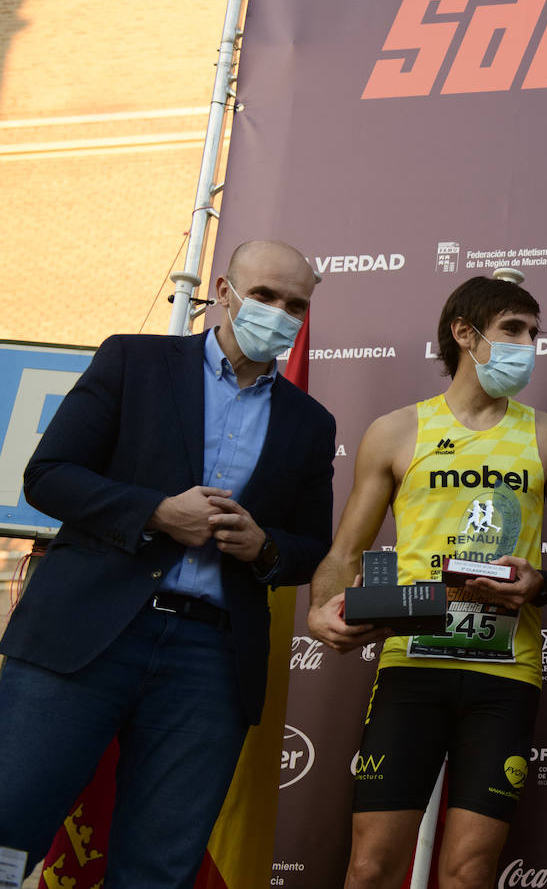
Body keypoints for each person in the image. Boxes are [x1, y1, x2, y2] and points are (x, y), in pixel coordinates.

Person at [0, 240, 335, 885]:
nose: (280, 315)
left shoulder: (311, 422)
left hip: (208, 661)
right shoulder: (134, 360)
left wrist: (262, 546)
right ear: (224, 289)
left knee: (160, 865)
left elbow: (309, 549)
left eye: (295, 305)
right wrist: (157, 511)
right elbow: (47, 476)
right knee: (7, 826)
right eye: (265, 296)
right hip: (85, 635)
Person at [307, 275, 547, 889]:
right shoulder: (397, 431)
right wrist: (323, 607)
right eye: (513, 330)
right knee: (371, 866)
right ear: (464, 334)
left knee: (469, 871)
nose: (528, 345)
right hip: (411, 666)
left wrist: (544, 582)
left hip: (504, 674)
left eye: (534, 334)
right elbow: (347, 551)